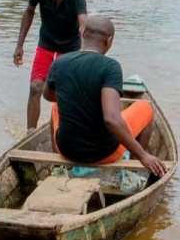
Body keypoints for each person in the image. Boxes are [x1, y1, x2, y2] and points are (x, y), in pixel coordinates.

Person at [43, 16, 167, 177]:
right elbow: (110, 119)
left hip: (66, 151)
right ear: (109, 41)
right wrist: (144, 156)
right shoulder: (110, 67)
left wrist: (75, 98)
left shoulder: (60, 63)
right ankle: (131, 170)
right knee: (145, 108)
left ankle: (58, 166)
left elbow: (48, 95)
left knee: (56, 106)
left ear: (83, 34)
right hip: (104, 154)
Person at [14, 0, 88, 131]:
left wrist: (85, 53)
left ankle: (64, 131)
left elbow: (83, 23)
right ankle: (29, 133)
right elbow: (29, 12)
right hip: (46, 44)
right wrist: (19, 45)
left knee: (64, 93)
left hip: (70, 48)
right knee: (35, 87)